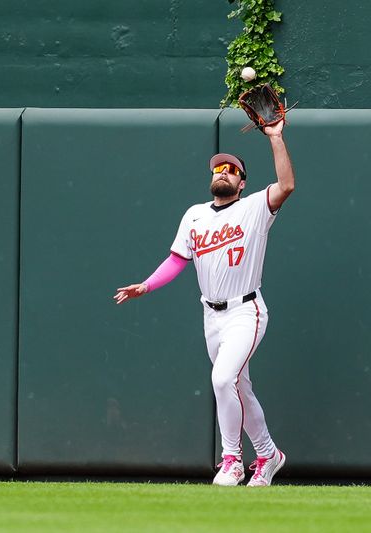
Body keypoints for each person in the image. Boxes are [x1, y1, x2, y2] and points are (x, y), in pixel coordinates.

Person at [113, 119, 295, 486]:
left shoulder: (255, 208)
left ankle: (231, 459)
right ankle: (269, 455)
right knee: (238, 387)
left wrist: (275, 138)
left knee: (222, 377)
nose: (223, 173)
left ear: (242, 183)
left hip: (246, 310)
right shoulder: (194, 215)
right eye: (218, 168)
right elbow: (178, 260)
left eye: (232, 170)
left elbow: (287, 184)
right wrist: (146, 286)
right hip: (211, 316)